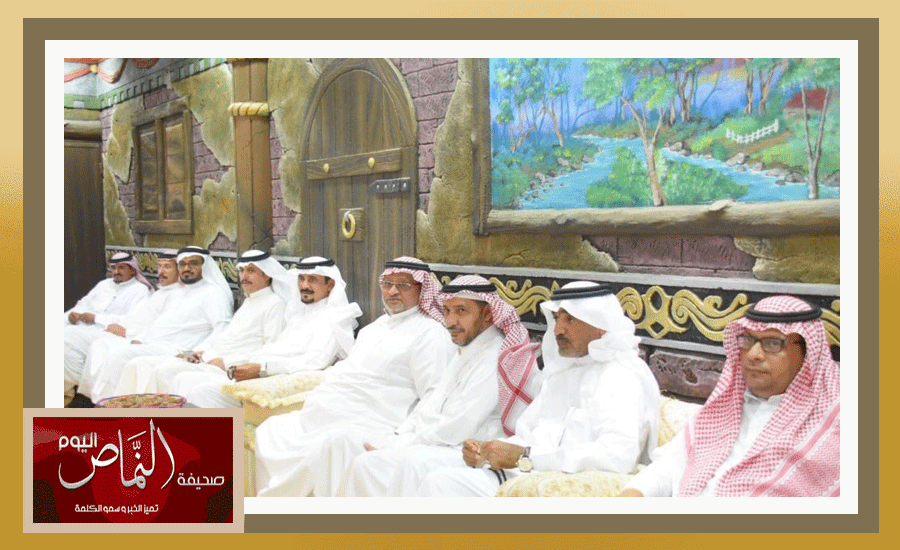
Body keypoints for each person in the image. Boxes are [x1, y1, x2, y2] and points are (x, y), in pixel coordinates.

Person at [412, 281, 660, 497]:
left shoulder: (620, 375)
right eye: (557, 319)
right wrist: (487, 451)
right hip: (529, 477)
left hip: (568, 489)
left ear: (600, 325)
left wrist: (526, 457)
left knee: (442, 485)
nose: (558, 330)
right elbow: (530, 435)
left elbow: (618, 455)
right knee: (437, 480)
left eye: (570, 319)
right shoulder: (561, 372)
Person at [253, 256, 456, 497]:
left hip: (373, 421)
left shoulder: (431, 334)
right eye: (388, 284)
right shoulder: (375, 328)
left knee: (334, 445)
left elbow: (434, 395)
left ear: (422, 290)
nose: (393, 291)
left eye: (403, 285)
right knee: (271, 430)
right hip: (322, 415)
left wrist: (403, 438)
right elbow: (350, 370)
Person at [328, 274, 543, 497]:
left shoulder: (497, 356)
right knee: (364, 462)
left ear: (488, 313)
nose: (450, 322)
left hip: (472, 451)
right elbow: (430, 403)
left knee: (405, 464)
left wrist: (403, 445)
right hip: (440, 443)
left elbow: (460, 425)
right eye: (447, 311)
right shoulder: (468, 350)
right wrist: (401, 436)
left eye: (461, 311)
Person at [619, 295, 840, 497]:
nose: (754, 354)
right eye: (748, 340)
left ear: (808, 353)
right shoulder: (726, 408)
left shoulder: (833, 428)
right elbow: (670, 464)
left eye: (773, 343)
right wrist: (635, 493)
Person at [172, 256, 362, 407]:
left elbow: (315, 361)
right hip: (257, 371)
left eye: (312, 280)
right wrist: (236, 363)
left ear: (330, 285)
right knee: (185, 379)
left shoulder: (334, 318)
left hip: (276, 380)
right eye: (301, 279)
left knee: (201, 392)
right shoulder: (299, 314)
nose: (304, 286)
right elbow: (272, 349)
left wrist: (263, 369)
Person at [111, 249, 294, 397]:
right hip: (210, 358)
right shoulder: (250, 301)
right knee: (151, 368)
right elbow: (227, 337)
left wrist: (227, 362)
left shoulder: (275, 304)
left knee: (168, 374)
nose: (244, 276)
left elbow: (269, 349)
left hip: (230, 367)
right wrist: (199, 352)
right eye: (242, 270)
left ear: (267, 275)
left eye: (251, 271)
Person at [81, 246, 234, 403]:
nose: (187, 268)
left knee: (121, 357)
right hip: (154, 343)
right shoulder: (180, 291)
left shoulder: (214, 293)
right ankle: (108, 405)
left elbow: (222, 328)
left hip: (178, 348)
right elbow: (159, 322)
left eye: (193, 263)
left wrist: (199, 351)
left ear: (204, 266)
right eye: (182, 264)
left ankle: (110, 406)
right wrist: (141, 338)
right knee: (106, 348)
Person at [66, 250, 181, 404]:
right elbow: (139, 318)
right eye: (159, 266)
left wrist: (105, 322)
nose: (161, 271)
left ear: (133, 269)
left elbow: (165, 327)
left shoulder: (143, 290)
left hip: (138, 338)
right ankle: (87, 397)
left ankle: (103, 401)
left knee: (73, 339)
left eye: (167, 267)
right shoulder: (160, 293)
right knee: (91, 343)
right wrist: (72, 315)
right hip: (116, 331)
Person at [64, 251, 153, 326]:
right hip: (84, 326)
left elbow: (134, 320)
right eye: (113, 268)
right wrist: (73, 315)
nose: (116, 272)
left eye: (121, 268)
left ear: (133, 270)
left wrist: (96, 319)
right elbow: (84, 303)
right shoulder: (104, 284)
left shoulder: (140, 290)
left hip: (108, 332)